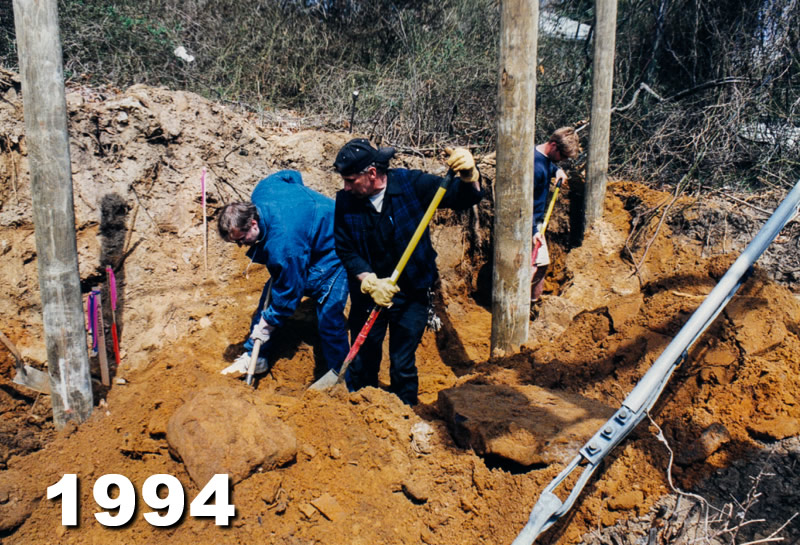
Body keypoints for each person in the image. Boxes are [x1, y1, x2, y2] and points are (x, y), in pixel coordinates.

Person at [332, 138, 483, 405]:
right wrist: (368, 282)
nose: (345, 186)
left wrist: (470, 175)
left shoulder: (412, 185)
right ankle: (362, 409)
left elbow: (465, 197)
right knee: (364, 357)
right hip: (369, 293)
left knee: (402, 361)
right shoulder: (346, 201)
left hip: (412, 291)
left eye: (351, 180)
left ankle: (404, 413)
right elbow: (345, 247)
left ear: (372, 173)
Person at [217, 169, 350, 379]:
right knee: (267, 300)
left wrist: (266, 325)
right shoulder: (264, 189)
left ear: (253, 223)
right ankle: (256, 356)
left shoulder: (284, 246)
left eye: (242, 239)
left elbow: (289, 294)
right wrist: (304, 208)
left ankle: (342, 374)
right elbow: (292, 175)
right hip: (309, 240)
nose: (241, 246)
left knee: (329, 319)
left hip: (338, 247)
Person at [532, 127, 581, 304]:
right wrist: (532, 231)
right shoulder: (534, 167)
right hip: (526, 223)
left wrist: (556, 170)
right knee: (534, 266)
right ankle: (522, 306)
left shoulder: (541, 156)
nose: (564, 160)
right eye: (564, 156)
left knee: (540, 265)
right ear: (553, 145)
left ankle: (532, 302)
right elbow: (521, 202)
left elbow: (547, 162)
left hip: (534, 221)